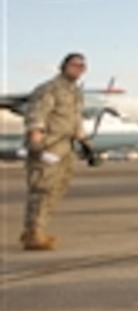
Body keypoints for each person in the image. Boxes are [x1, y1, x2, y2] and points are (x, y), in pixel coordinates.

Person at [22, 52, 89, 251]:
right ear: (63, 66)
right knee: (43, 189)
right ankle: (34, 234)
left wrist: (82, 136)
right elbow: (36, 114)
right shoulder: (49, 89)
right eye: (74, 65)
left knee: (58, 188)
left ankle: (34, 230)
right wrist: (36, 142)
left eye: (82, 66)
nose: (78, 69)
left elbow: (74, 118)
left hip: (65, 147)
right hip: (49, 146)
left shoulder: (75, 92)